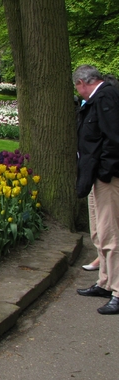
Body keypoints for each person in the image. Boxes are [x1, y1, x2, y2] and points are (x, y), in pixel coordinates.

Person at [73, 64, 119, 314]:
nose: (79, 93)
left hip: (107, 178)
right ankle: (105, 281)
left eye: (77, 88)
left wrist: (105, 171)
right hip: (96, 177)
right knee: (99, 232)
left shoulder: (106, 97)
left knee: (111, 233)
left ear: (82, 82)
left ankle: (118, 289)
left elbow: (113, 138)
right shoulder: (100, 99)